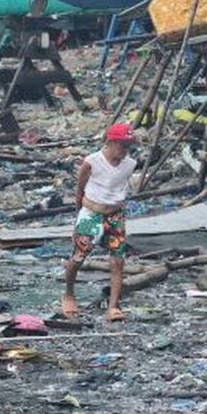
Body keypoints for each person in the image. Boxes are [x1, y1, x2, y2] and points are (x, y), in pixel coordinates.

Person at [62, 123, 138, 322]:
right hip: (91, 213)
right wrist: (78, 218)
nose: (124, 150)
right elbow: (80, 189)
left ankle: (113, 305)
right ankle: (69, 294)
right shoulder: (92, 162)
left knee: (118, 259)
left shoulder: (130, 164)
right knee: (78, 256)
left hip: (115, 215)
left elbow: (119, 186)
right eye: (121, 145)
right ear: (110, 142)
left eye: (128, 146)